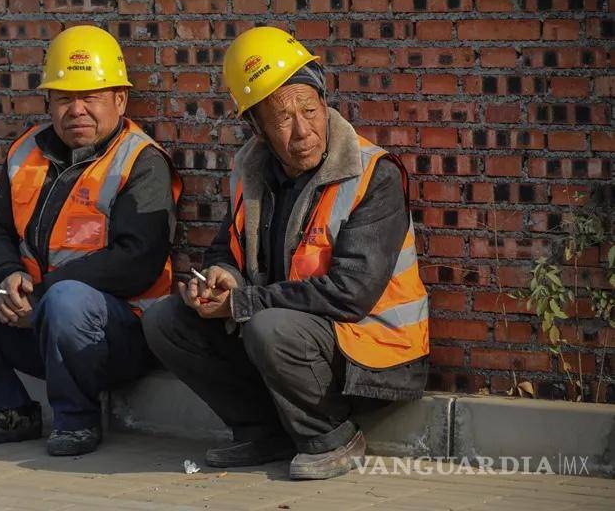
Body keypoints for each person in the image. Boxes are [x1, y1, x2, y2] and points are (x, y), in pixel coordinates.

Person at [142, 26, 429, 480]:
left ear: (325, 103)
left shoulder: (374, 174)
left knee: (267, 325)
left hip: (376, 356)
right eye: (281, 119)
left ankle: (330, 436)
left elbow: (351, 294)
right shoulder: (252, 171)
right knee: (165, 319)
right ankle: (262, 432)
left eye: (310, 110)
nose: (302, 131)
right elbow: (227, 249)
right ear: (256, 126)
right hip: (288, 341)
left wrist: (243, 303)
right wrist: (222, 278)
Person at [0, 25, 181, 456]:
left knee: (68, 298)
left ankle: (76, 421)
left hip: (113, 337)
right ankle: (4, 410)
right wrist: (7, 277)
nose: (76, 109)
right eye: (63, 98)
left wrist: (42, 293)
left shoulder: (141, 162)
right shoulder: (27, 152)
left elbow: (138, 259)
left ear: (119, 100)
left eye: (89, 96)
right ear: (49, 103)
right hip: (33, 319)